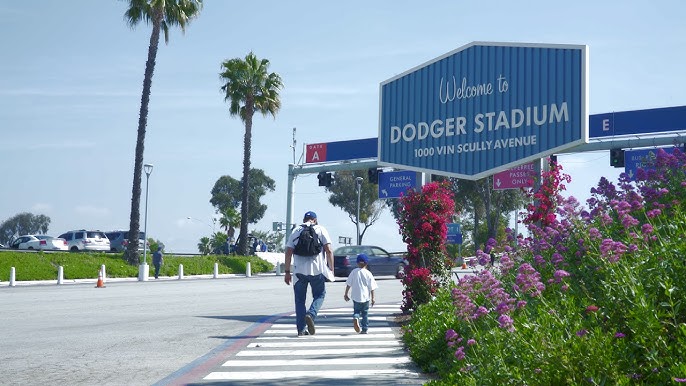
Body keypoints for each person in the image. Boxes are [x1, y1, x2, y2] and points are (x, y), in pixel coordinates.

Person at [284, 211, 333, 336]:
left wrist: (287, 272)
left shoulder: (296, 230)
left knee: (300, 300)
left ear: (304, 219)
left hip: (299, 272)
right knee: (320, 295)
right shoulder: (321, 229)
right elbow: (329, 250)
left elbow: (289, 252)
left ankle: (301, 329)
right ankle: (311, 314)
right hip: (317, 270)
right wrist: (331, 269)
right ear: (315, 220)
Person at [344, 253, 378, 334]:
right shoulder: (368, 273)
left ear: (357, 263)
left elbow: (348, 284)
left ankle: (356, 317)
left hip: (356, 297)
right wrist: (373, 298)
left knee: (356, 311)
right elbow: (372, 287)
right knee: (365, 313)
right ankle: (365, 328)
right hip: (365, 298)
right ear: (366, 263)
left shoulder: (354, 272)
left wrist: (346, 294)